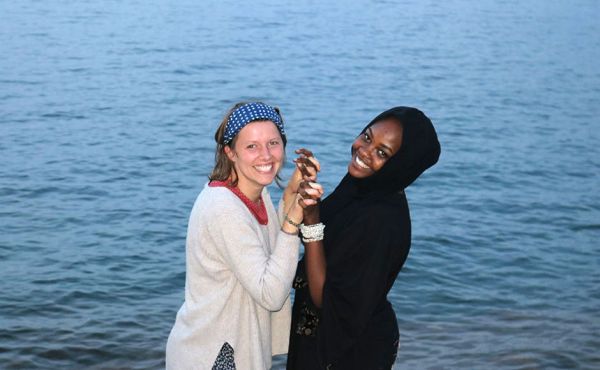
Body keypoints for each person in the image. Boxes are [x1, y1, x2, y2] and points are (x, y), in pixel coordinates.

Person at [166, 102, 322, 369]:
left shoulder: (255, 193)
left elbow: (271, 255)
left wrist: (291, 195)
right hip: (215, 356)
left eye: (273, 143)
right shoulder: (223, 208)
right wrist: (294, 219)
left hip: (232, 348)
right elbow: (271, 294)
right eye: (252, 146)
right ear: (230, 152)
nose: (266, 155)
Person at [286, 106, 441, 370]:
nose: (364, 151)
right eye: (367, 137)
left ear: (400, 164)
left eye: (382, 153)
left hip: (352, 350)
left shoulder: (381, 221)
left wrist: (312, 221)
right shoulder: (363, 188)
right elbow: (327, 238)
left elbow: (327, 298)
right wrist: (303, 184)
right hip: (321, 330)